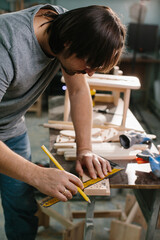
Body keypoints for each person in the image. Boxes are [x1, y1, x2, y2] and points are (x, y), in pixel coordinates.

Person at [0, 3, 126, 239]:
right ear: (68, 43)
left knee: (21, 206)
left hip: (11, 128)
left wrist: (85, 149)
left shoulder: (66, 26)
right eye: (88, 66)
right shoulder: (7, 46)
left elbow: (78, 91)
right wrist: (36, 174)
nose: (89, 73)